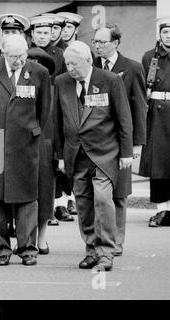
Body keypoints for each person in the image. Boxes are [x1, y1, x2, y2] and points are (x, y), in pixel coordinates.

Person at [54, 41, 133, 271]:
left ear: (89, 60)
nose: (70, 67)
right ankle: (91, 250)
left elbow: (124, 119)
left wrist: (126, 152)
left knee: (102, 199)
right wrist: (60, 155)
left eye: (74, 63)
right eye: (67, 63)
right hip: (76, 155)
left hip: (104, 153)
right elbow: (57, 121)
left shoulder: (110, 80)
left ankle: (106, 252)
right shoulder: (61, 82)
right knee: (84, 204)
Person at [0, 34, 52, 266]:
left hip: (25, 144)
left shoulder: (39, 73)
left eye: (22, 55)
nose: (19, 60)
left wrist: (32, 130)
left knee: (28, 198)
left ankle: (28, 249)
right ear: (3, 52)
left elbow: (44, 109)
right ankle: (1, 251)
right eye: (14, 56)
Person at [92, 24, 147, 254]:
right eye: (95, 42)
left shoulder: (132, 68)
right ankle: (100, 238)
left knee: (119, 192)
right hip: (97, 139)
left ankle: (116, 241)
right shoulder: (91, 66)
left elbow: (139, 107)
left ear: (115, 43)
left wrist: (136, 144)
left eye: (102, 42)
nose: (98, 47)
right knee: (97, 193)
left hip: (122, 139)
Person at [29, 14, 73, 224]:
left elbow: (64, 83)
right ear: (32, 34)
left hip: (54, 106)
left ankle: (58, 204)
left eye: (47, 32)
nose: (43, 36)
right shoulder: (26, 52)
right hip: (31, 106)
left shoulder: (60, 54)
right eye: (39, 32)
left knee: (54, 159)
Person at [140, 16, 170, 227]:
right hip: (158, 116)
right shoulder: (150, 58)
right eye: (166, 32)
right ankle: (162, 209)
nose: (169, 36)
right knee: (159, 165)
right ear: (159, 34)